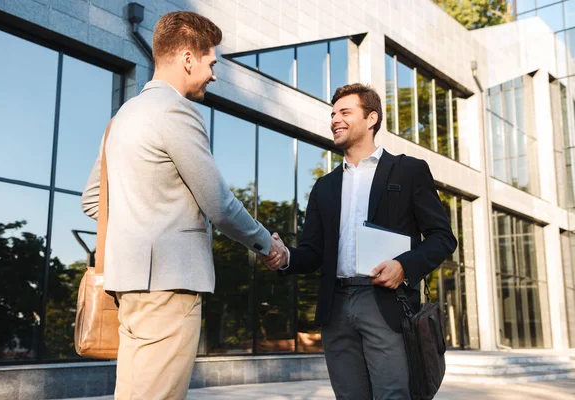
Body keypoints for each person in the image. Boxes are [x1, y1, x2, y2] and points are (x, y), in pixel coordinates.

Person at [82, 11, 282, 400]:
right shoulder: (176, 111)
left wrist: (141, 220)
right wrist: (266, 244)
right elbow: (219, 205)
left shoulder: (122, 117)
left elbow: (93, 199)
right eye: (211, 63)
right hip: (169, 288)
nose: (213, 74)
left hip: (129, 289)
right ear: (188, 58)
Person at [265, 83, 457, 399]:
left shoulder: (408, 171)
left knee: (393, 395)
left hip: (385, 303)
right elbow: (313, 253)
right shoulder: (324, 187)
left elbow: (442, 238)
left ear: (371, 119)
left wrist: (404, 267)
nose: (334, 120)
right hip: (335, 307)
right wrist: (285, 256)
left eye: (344, 112)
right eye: (332, 114)